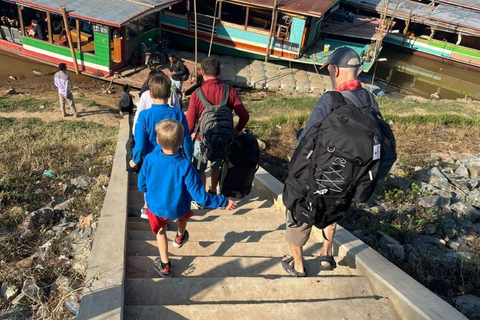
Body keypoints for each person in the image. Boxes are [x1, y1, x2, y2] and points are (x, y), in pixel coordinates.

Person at [282, 47, 377, 276]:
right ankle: (326, 255)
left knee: (297, 214)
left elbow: (306, 139)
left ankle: (298, 265)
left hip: (317, 178)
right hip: (348, 180)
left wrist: (299, 135)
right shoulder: (370, 101)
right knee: (333, 209)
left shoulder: (330, 100)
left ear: (335, 70)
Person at [138, 118, 237, 277]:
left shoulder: (149, 159)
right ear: (180, 143)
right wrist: (223, 201)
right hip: (178, 206)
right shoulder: (185, 165)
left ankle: (165, 265)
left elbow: (141, 184)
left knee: (161, 232)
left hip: (155, 207)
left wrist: (148, 195)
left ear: (157, 140)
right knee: (182, 214)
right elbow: (201, 197)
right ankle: (180, 237)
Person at [130, 73, 193, 218]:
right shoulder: (177, 113)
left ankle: (148, 208)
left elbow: (139, 145)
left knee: (152, 185)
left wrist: (135, 160)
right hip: (174, 158)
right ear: (170, 94)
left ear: (150, 94)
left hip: (151, 160)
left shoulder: (144, 116)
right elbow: (186, 141)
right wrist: (189, 158)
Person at [186, 57, 249, 197]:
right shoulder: (230, 91)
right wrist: (236, 130)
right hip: (222, 138)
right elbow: (244, 116)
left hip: (201, 140)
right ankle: (213, 191)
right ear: (219, 71)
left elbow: (190, 126)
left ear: (202, 72)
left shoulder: (196, 95)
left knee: (200, 168)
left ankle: (202, 197)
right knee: (217, 165)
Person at [133, 69, 181, 134]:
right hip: (169, 135)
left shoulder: (145, 97)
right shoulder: (177, 111)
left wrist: (135, 132)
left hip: (150, 132)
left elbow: (138, 117)